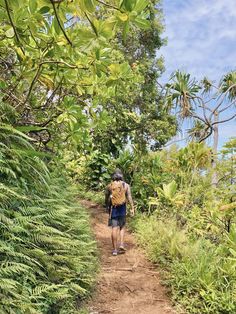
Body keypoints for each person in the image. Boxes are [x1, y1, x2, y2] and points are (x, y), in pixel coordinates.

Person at [105, 170, 135, 256]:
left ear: (113, 176)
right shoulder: (126, 185)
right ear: (121, 175)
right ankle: (121, 244)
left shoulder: (110, 186)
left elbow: (106, 198)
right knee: (122, 227)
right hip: (122, 209)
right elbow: (129, 197)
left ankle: (114, 250)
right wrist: (132, 208)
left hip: (114, 209)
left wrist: (107, 207)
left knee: (114, 228)